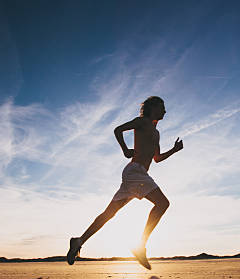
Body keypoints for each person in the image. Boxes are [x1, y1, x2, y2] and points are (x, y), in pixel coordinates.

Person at [67, 96, 183, 269]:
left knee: (109, 213)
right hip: (135, 172)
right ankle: (140, 246)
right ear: (152, 108)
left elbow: (157, 158)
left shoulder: (156, 133)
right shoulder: (142, 122)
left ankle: (79, 241)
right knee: (163, 203)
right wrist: (124, 150)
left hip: (136, 175)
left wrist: (174, 150)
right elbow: (118, 130)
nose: (165, 111)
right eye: (162, 107)